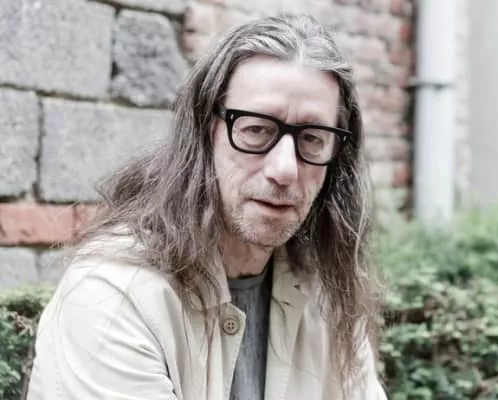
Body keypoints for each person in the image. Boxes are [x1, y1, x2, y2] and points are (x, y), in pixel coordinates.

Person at [26, 13, 387, 400]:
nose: (285, 169)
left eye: (313, 138)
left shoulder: (325, 293)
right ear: (203, 133)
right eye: (256, 130)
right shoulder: (114, 297)